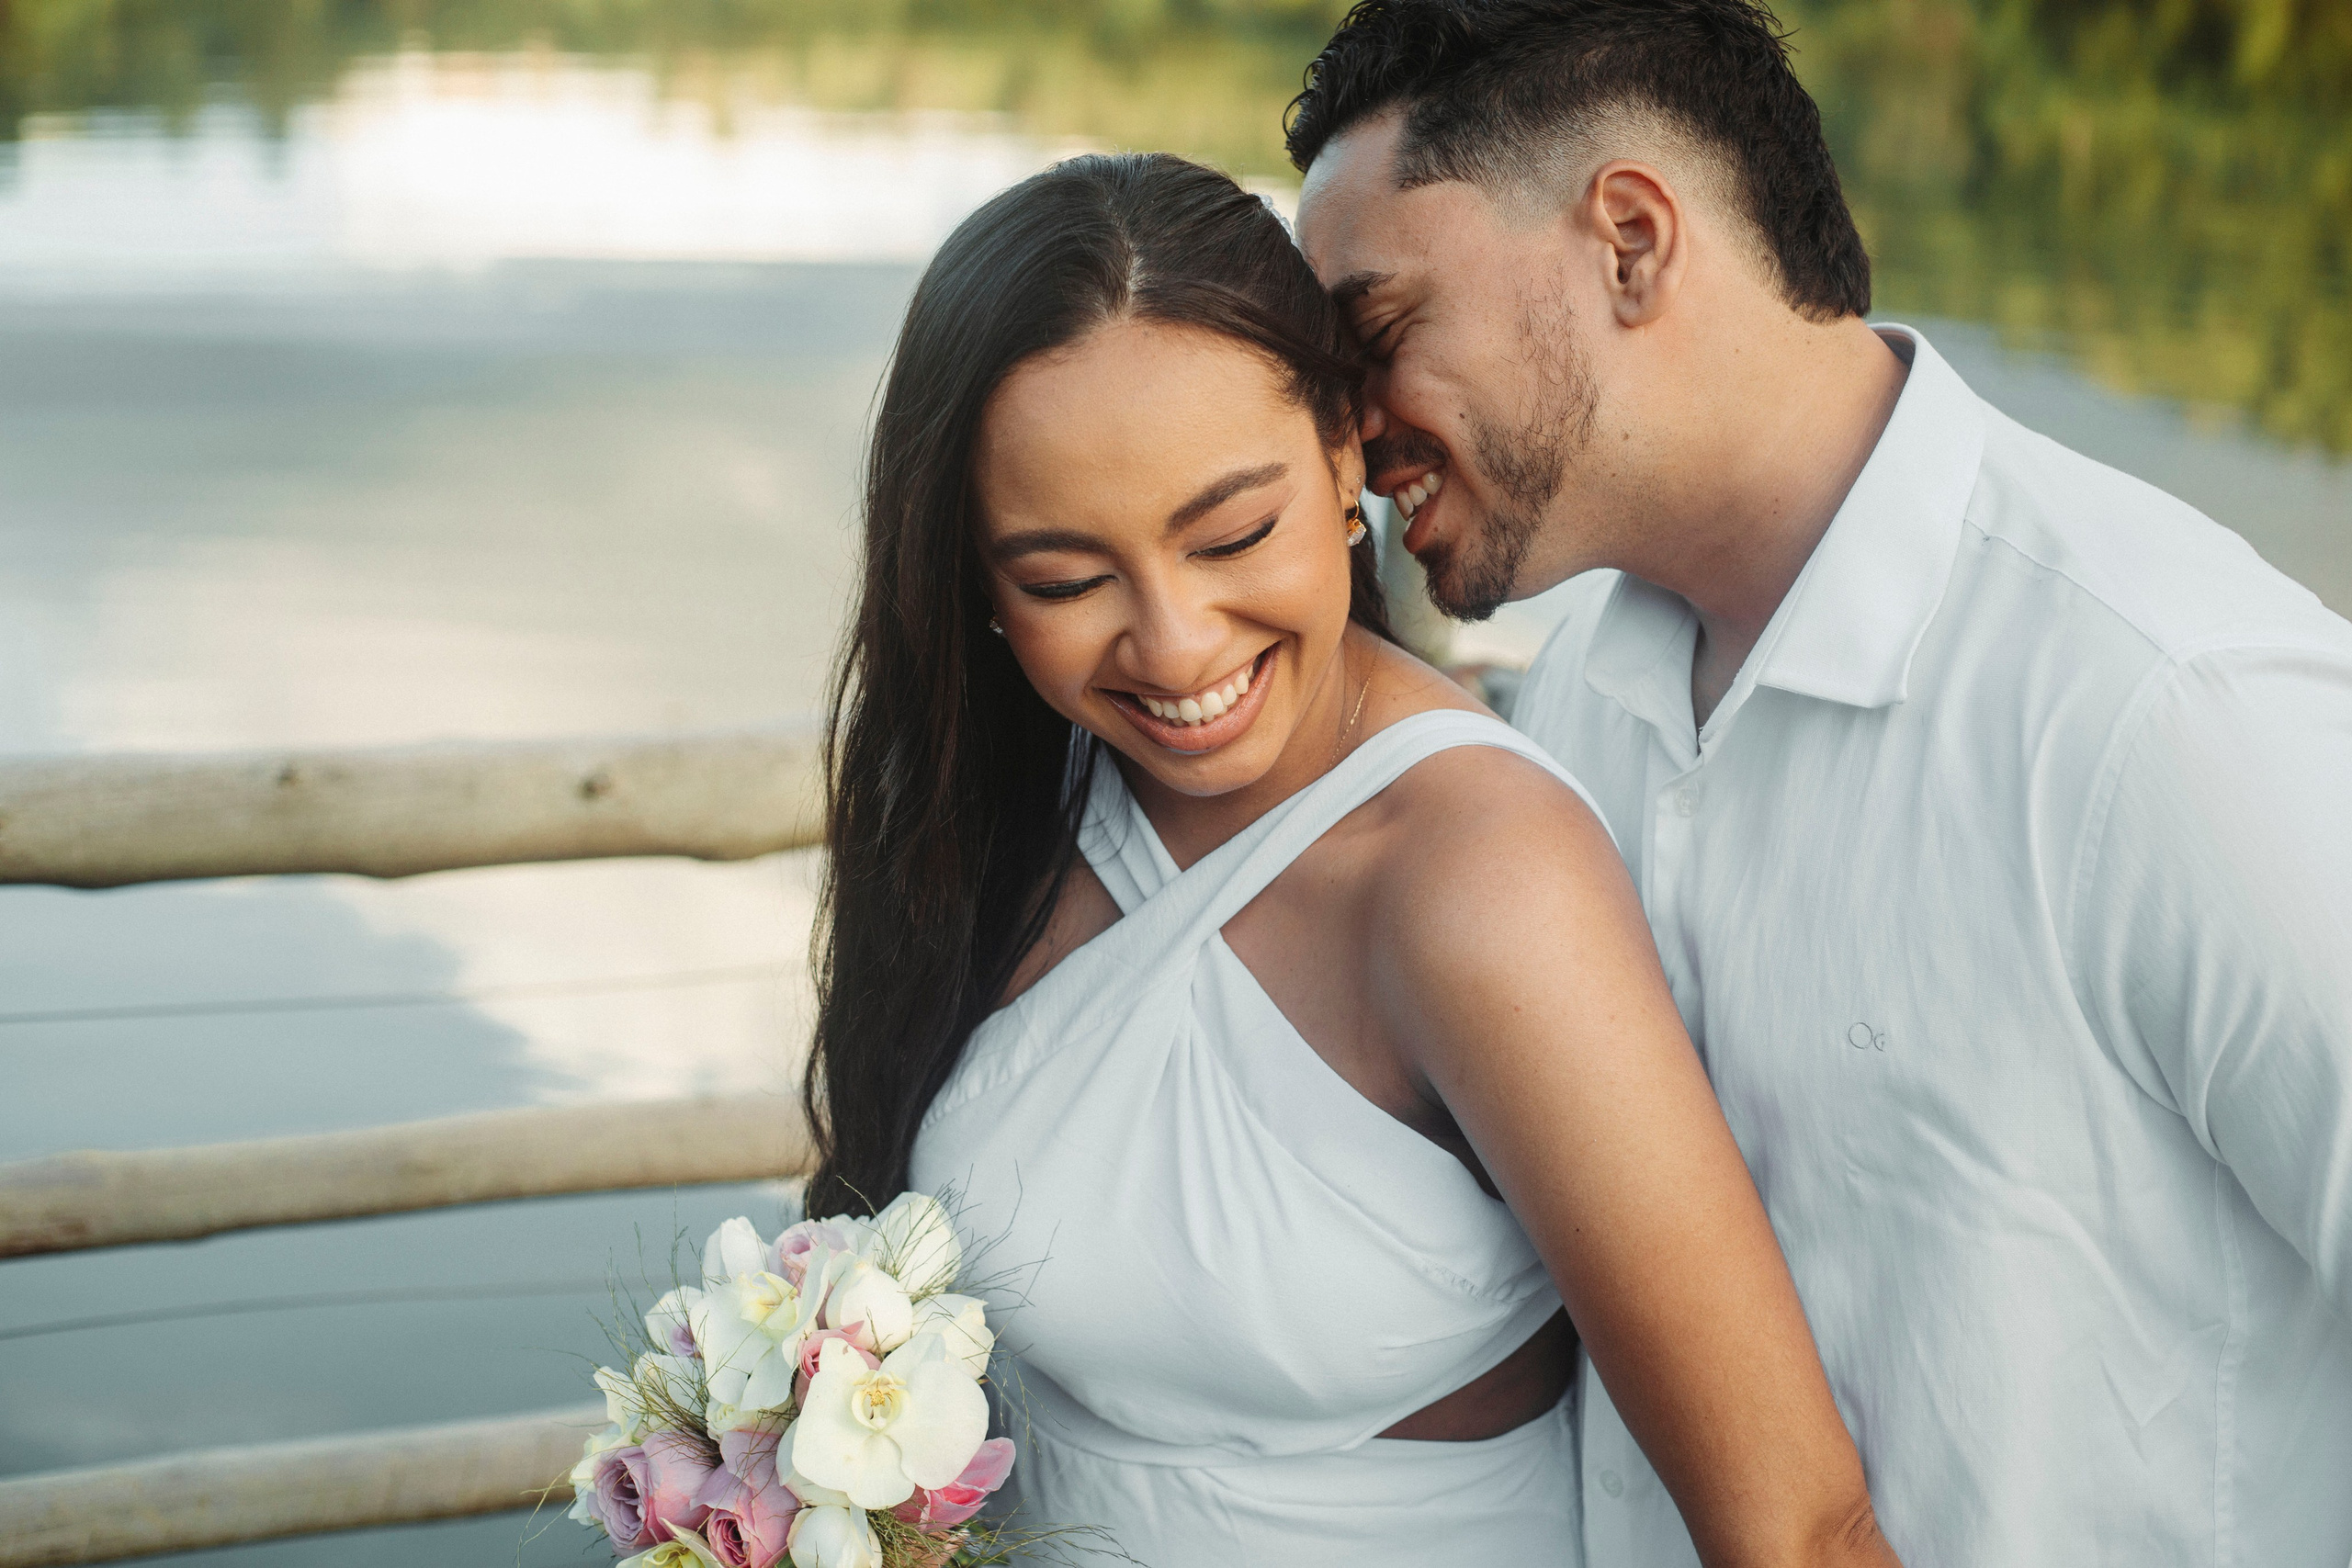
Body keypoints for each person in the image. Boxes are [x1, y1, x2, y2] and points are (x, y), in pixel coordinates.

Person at [1287, 2, 2352, 1565]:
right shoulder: (1576, 702)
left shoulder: (2164, 706)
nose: (1345, 435)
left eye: (1374, 336)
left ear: (1633, 241)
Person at [800, 151, 1897, 1566]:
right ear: (972, 584)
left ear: (1342, 459)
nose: (1178, 646)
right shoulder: (1007, 804)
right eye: (1065, 580)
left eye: (1233, 534)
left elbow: (1797, 1527)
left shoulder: (1477, 882)